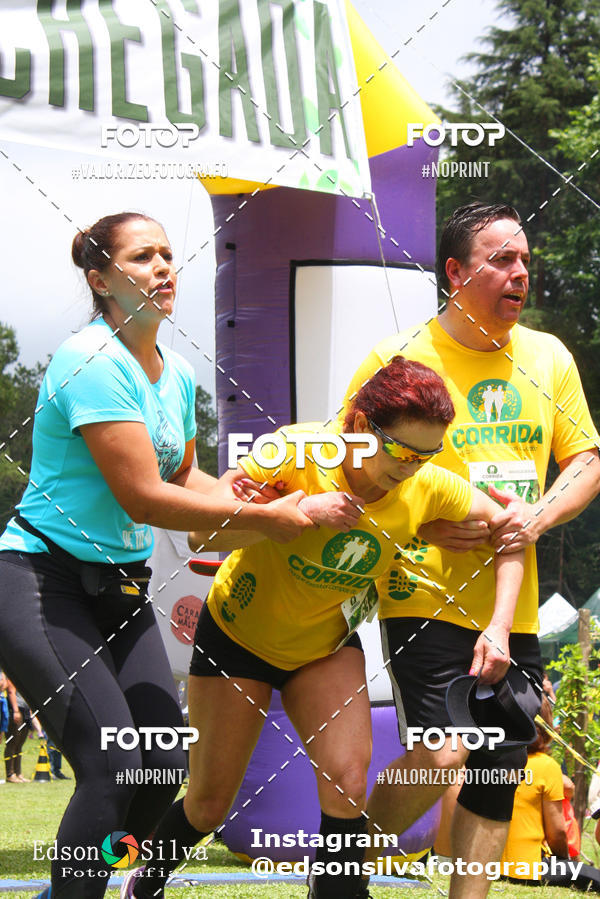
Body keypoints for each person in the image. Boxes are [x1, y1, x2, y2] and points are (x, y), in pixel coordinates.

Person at [122, 354, 526, 899]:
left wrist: (501, 619)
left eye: (428, 454)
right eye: (403, 451)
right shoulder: (295, 449)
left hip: (324, 648)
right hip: (237, 640)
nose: (412, 468)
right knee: (208, 805)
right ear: (360, 427)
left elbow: (512, 534)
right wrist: (297, 510)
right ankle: (143, 881)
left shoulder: (429, 484)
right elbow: (201, 536)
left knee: (347, 785)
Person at [0, 212, 316, 899]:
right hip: (38, 580)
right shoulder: (88, 360)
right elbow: (145, 500)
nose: (166, 267)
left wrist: (252, 494)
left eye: (170, 254)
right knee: (113, 763)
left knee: (165, 758)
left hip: (119, 588)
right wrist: (267, 517)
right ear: (101, 278)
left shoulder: (173, 376)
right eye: (144, 256)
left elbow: (184, 483)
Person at [342, 202, 600, 898]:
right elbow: (350, 467)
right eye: (501, 259)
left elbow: (587, 460)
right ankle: (342, 864)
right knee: (445, 748)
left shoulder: (550, 357)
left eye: (524, 260)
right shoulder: (397, 360)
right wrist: (421, 523)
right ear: (456, 272)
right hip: (422, 590)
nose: (520, 273)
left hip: (511, 606)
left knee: (499, 764)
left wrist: (536, 518)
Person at [501, 697, 600, 891]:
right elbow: (557, 833)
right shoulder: (546, 766)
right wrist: (565, 860)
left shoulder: (487, 763)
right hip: (529, 867)